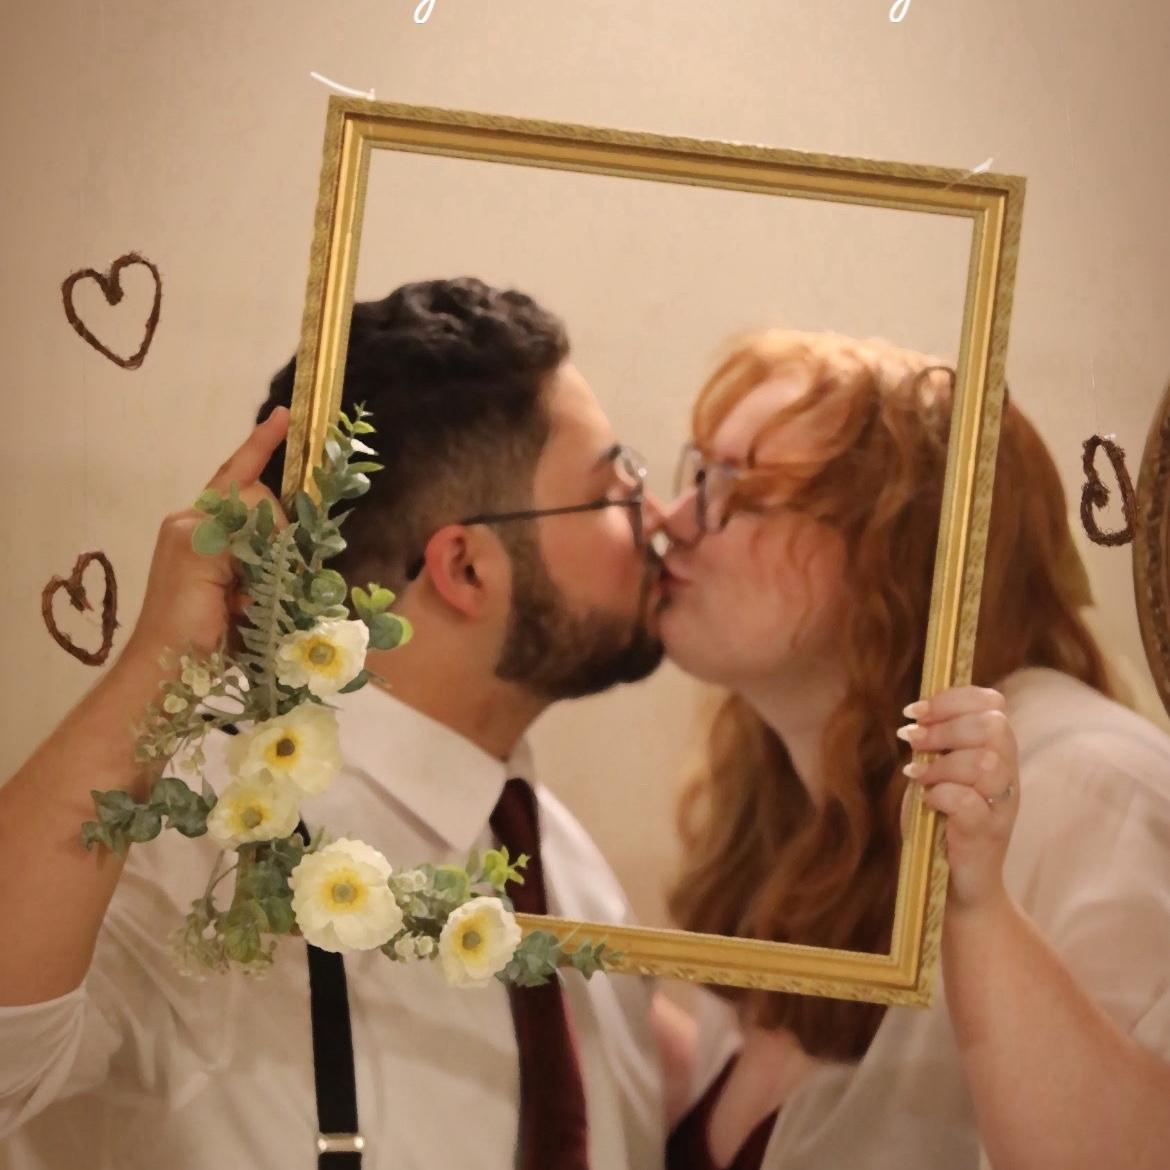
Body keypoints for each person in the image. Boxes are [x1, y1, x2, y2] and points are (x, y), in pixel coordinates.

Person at [0, 278, 675, 1170]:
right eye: (615, 488)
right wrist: (156, 670)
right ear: (466, 570)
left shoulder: (572, 874)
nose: (660, 519)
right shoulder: (198, 837)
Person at [655, 330, 1170, 1169]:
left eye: (735, 488)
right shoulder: (785, 805)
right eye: (696, 474)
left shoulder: (1092, 788)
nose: (672, 521)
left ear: (899, 545)